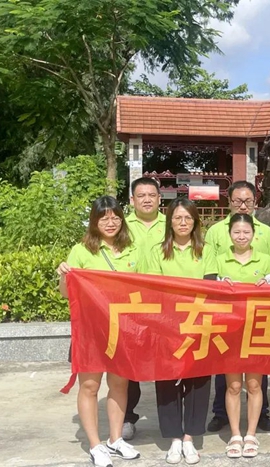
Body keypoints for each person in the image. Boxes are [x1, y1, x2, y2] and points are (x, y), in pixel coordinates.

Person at [57, 196, 141, 467]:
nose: (110, 222)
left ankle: (115, 439)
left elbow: (146, 287)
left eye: (115, 217)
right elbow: (66, 293)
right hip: (91, 331)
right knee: (90, 386)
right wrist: (64, 275)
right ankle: (95, 445)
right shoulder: (81, 251)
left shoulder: (133, 250)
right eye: (104, 217)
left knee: (119, 384)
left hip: (123, 329)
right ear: (94, 221)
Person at [138, 198, 210, 465]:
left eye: (188, 218)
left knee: (198, 382)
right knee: (167, 381)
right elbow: (152, 289)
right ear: (169, 221)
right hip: (166, 326)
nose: (183, 223)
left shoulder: (205, 250)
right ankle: (174, 439)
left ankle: (190, 437)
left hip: (199, 324)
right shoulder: (157, 251)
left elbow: (210, 285)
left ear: (195, 222)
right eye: (178, 218)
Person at [204, 181, 270, 433]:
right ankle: (220, 413)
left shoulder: (266, 232)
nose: (243, 205)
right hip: (226, 315)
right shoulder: (215, 231)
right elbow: (209, 269)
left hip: (257, 314)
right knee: (224, 366)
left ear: (255, 201)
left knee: (258, 370)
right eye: (238, 201)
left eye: (248, 201)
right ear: (229, 201)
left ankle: (261, 414)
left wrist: (268, 283)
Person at [123, 177, 167, 440]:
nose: (147, 199)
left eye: (152, 195)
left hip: (166, 305)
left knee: (166, 359)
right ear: (132, 200)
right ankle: (127, 417)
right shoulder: (121, 226)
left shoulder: (172, 224)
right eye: (141, 195)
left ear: (159, 198)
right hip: (133, 304)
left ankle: (171, 418)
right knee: (130, 364)